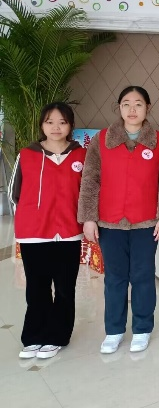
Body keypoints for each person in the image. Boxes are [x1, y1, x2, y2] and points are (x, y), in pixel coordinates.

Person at [78, 86, 159, 354]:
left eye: (138, 104)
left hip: (146, 222)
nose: (132, 110)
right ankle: (114, 330)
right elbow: (90, 180)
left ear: (147, 108)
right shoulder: (102, 139)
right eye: (126, 104)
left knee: (143, 276)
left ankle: (142, 328)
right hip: (110, 222)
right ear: (119, 107)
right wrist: (88, 218)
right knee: (115, 277)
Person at [10, 103, 86, 359]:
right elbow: (14, 194)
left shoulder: (81, 155)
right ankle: (34, 336)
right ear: (42, 125)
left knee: (64, 288)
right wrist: (26, 221)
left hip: (69, 232)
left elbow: (89, 192)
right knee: (37, 288)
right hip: (34, 233)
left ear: (70, 126)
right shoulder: (27, 154)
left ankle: (57, 336)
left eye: (62, 122)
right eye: (50, 122)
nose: (56, 127)